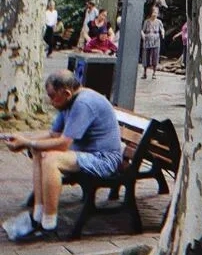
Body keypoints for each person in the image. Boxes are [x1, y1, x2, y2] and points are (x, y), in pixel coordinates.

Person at [3, 70, 123, 242]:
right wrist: (23, 139)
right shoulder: (68, 102)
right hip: (86, 153)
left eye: (52, 96)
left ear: (66, 93)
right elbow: (53, 134)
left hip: (104, 159)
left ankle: (49, 226)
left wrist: (28, 142)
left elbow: (63, 143)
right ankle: (37, 216)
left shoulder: (83, 103)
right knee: (39, 152)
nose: (51, 102)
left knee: (51, 159)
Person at [140, 6, 165, 80]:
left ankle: (154, 73)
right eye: (154, 12)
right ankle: (144, 72)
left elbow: (162, 29)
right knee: (146, 56)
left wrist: (162, 33)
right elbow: (142, 30)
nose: (155, 14)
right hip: (147, 39)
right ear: (151, 13)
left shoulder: (159, 22)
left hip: (156, 40)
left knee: (155, 55)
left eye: (156, 13)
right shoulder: (146, 21)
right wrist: (143, 35)